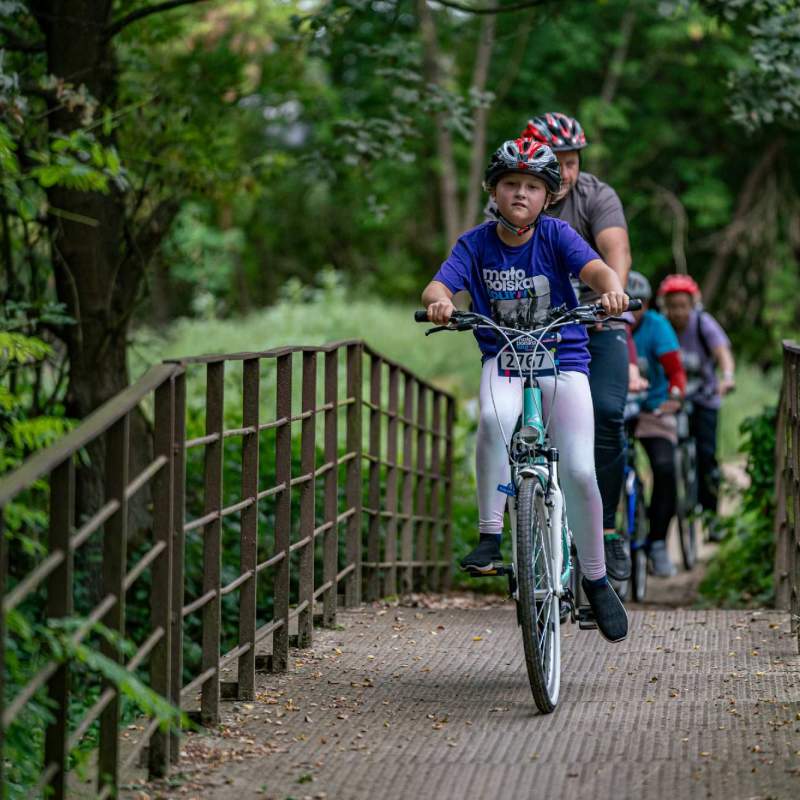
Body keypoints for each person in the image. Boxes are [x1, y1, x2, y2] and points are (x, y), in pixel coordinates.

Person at [422, 137, 630, 642]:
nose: (521, 193)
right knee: (493, 421)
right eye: (511, 184)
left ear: (547, 196)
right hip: (505, 360)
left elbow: (597, 269)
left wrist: (611, 290)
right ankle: (491, 535)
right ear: (494, 191)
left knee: (581, 470)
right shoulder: (474, 243)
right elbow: (438, 286)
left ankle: (597, 581)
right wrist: (441, 303)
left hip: (565, 361)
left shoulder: (557, 236)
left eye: (532, 186)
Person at [518, 113, 633, 583]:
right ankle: (525, 518)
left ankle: (605, 529)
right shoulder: (517, 194)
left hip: (594, 323)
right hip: (532, 327)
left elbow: (615, 249)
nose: (564, 173)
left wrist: (615, 295)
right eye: (556, 162)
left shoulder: (595, 196)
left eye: (571, 162)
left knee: (606, 412)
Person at [658, 275, 735, 539]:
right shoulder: (662, 326)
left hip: (705, 398)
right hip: (673, 399)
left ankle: (713, 520)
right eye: (673, 305)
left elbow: (722, 352)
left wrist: (727, 378)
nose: (678, 311)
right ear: (665, 305)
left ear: (693, 304)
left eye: (683, 305)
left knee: (706, 456)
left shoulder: (703, 324)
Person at [626, 272, 687, 577]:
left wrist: (674, 398)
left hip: (653, 409)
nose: (632, 311)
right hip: (617, 410)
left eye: (639, 304)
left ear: (648, 304)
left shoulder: (658, 327)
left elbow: (675, 371)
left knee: (665, 468)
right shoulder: (606, 323)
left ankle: (659, 541)